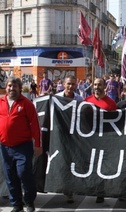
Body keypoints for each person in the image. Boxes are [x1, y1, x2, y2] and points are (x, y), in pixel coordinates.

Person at [0, 77, 42, 212]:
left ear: (19, 88)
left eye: (15, 86)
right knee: (10, 177)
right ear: (6, 88)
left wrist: (38, 144)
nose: (12, 88)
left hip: (23, 146)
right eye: (9, 86)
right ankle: (17, 205)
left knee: (24, 173)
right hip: (5, 147)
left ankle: (29, 202)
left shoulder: (26, 104)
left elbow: (35, 124)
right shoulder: (0, 102)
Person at [84, 77, 116, 203]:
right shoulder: (87, 101)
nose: (97, 87)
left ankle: (100, 191)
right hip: (90, 139)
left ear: (104, 86)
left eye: (99, 85)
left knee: (102, 165)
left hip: (105, 138)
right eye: (95, 85)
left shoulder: (111, 103)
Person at [55, 75, 83, 203]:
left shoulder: (79, 99)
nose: (70, 86)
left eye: (73, 84)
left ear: (76, 85)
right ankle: (64, 187)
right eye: (68, 84)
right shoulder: (56, 99)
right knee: (62, 162)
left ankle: (70, 190)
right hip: (60, 136)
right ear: (63, 84)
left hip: (74, 137)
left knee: (72, 162)